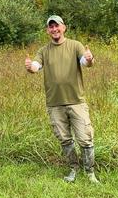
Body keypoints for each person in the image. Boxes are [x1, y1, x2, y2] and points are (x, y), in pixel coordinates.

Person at [25, 15, 99, 184]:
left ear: (63, 27)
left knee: (85, 138)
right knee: (65, 139)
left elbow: (85, 62)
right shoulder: (44, 51)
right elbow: (36, 66)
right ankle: (73, 169)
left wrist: (89, 59)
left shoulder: (75, 45)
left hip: (76, 101)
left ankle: (90, 173)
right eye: (51, 27)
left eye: (57, 26)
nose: (54, 29)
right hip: (55, 103)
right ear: (47, 31)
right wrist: (30, 67)